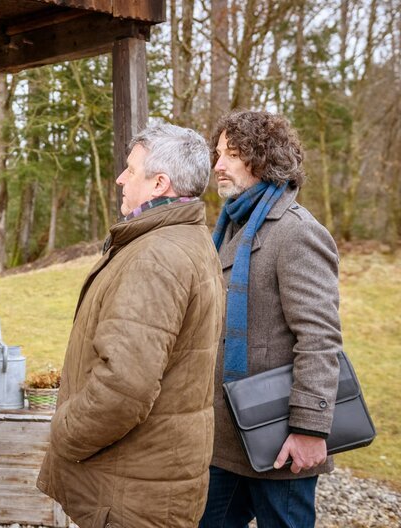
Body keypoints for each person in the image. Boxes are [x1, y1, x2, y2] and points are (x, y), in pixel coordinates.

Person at [36, 124, 224, 527]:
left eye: (130, 170)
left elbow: (124, 387)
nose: (121, 179)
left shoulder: (157, 257)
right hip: (148, 481)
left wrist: (64, 433)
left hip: (132, 492)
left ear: (160, 183)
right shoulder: (183, 238)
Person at [199, 110, 342, 527]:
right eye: (218, 153)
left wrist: (311, 429)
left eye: (232, 154)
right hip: (226, 440)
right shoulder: (229, 228)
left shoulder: (296, 232)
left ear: (263, 159)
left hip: (281, 437)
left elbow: (319, 338)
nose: (218, 165)